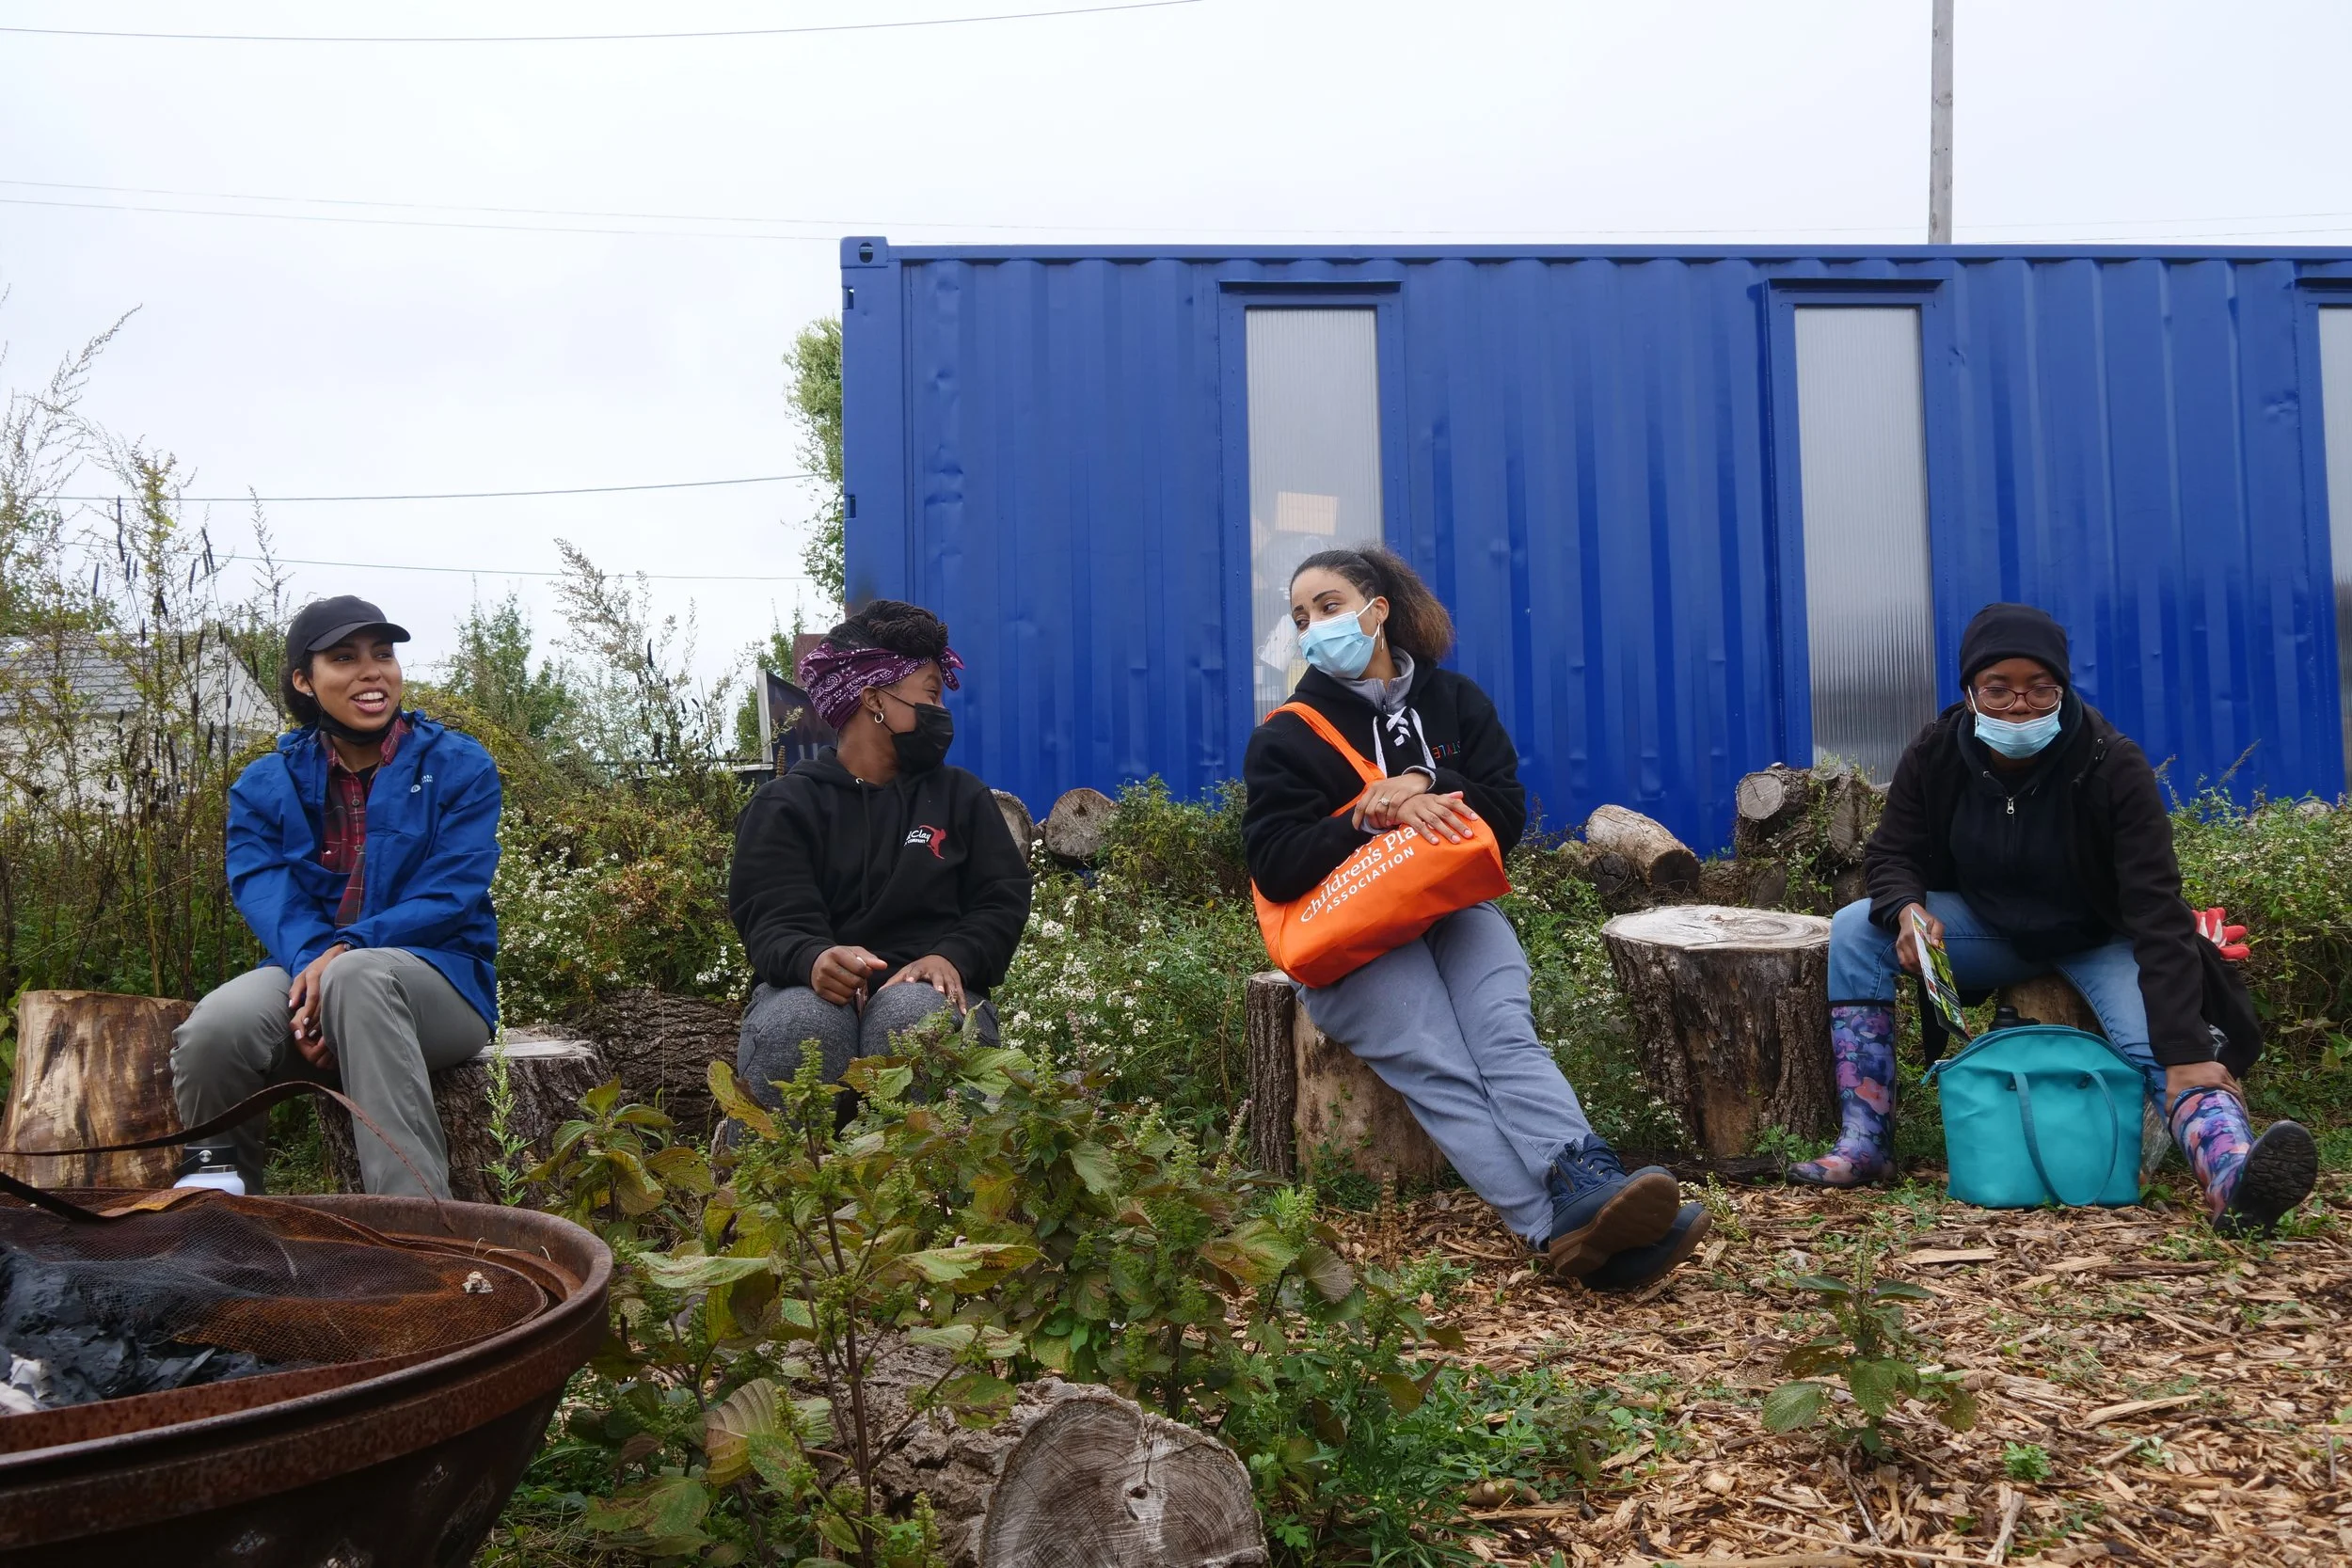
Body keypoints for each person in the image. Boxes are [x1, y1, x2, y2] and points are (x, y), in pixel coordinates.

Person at [1243, 546, 1708, 1289]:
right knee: (1442, 1066)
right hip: (1349, 937)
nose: (1313, 627)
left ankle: (1585, 1174)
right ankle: (1553, 1229)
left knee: (1503, 1031)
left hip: (1450, 905)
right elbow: (1274, 862)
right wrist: (1369, 817)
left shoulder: (1453, 700)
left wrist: (1430, 780)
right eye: (1300, 617)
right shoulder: (1288, 735)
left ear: (1377, 608)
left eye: (1329, 606)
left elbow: (1507, 813)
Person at [1794, 603, 2317, 1234]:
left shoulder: (2111, 764)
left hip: (2098, 935)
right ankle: (1865, 1140)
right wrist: (1907, 908)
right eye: (1999, 687)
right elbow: (1893, 852)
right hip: (1986, 927)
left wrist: (2182, 1046)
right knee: (1856, 928)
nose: (2020, 704)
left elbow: (2155, 908)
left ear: (2063, 688)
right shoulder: (1938, 752)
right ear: (1970, 690)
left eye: (2039, 688)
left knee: (2167, 1045)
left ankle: (2233, 1176)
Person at [171, 596, 501, 1198]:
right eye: (344, 658)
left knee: (358, 979)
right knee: (216, 1029)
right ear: (305, 680)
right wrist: (313, 975)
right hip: (308, 972)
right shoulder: (263, 785)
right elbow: (264, 890)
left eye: (383, 654)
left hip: (443, 983)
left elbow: (454, 888)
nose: (372, 671)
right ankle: (217, 1219)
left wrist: (344, 953)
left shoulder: (460, 767)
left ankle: (418, 1232)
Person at [730, 600, 1031, 1112]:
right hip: (803, 989)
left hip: (935, 991)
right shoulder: (785, 805)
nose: (941, 715)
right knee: (804, 1022)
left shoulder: (962, 798)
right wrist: (813, 959)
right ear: (874, 699)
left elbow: (1000, 902)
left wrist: (949, 956)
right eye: (930, 696)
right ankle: (769, 1184)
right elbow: (771, 916)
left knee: (912, 1019)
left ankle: (936, 1190)